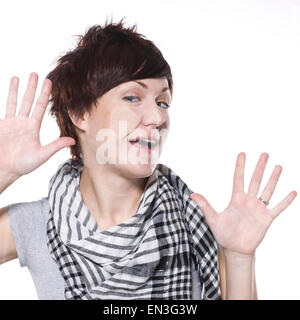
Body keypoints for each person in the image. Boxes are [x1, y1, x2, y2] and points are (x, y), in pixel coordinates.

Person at [0, 20, 297, 300]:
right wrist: (3, 171)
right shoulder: (37, 223)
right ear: (80, 113)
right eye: (132, 98)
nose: (157, 117)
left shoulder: (196, 220)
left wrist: (239, 257)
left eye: (162, 102)